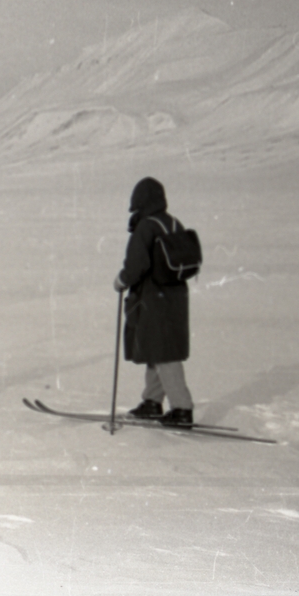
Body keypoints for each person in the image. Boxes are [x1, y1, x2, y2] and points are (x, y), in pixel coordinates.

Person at [113, 177, 194, 427]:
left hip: (152, 297)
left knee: (163, 354)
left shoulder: (146, 227)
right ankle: (152, 402)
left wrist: (121, 281)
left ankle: (182, 409)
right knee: (158, 349)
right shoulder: (173, 223)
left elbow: (137, 264)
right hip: (175, 297)